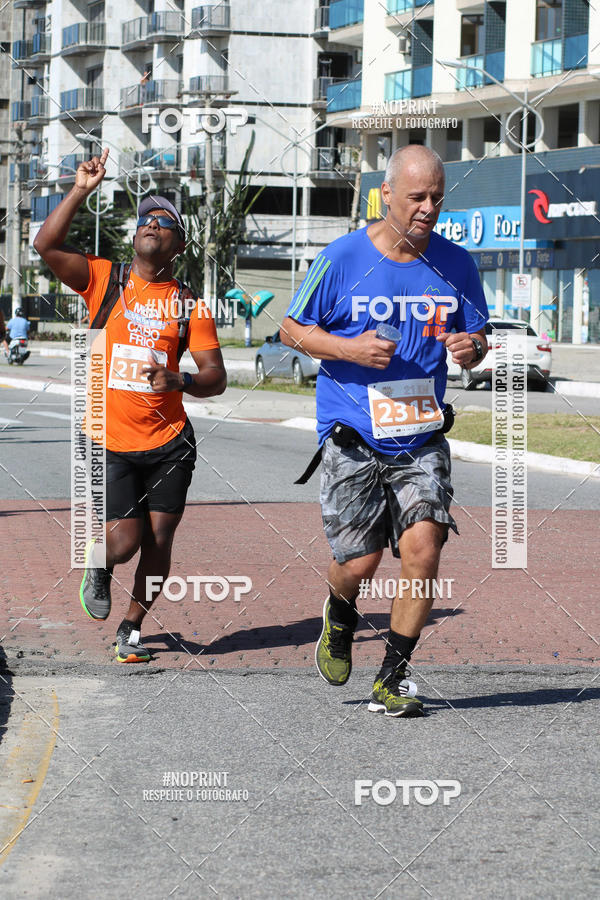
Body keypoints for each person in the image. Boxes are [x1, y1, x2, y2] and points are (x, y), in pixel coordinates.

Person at [281, 145, 489, 717]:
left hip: (421, 435)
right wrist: (347, 348)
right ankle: (341, 613)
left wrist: (473, 349)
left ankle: (394, 675)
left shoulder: (456, 264)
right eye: (417, 197)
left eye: (437, 198)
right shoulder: (342, 257)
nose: (428, 208)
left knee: (425, 543)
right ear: (387, 195)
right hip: (353, 433)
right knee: (360, 561)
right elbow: (290, 330)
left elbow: (478, 340)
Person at [33, 149, 227, 663]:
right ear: (134, 234)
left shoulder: (189, 304)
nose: (152, 224)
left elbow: (216, 377)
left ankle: (132, 627)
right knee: (124, 542)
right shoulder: (104, 279)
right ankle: (99, 565)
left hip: (168, 442)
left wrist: (178, 379)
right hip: (108, 437)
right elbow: (45, 244)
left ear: (178, 245)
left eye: (165, 222)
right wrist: (81, 190)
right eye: (146, 219)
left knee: (159, 541)